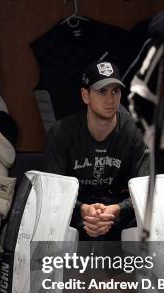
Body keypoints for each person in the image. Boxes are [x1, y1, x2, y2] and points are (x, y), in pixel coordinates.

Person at [45, 61, 149, 241]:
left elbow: (146, 191)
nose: (110, 100)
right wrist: (82, 210)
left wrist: (117, 210)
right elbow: (51, 191)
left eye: (115, 91)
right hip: (74, 215)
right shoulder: (61, 132)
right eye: (102, 92)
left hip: (120, 215)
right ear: (85, 95)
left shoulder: (136, 132)